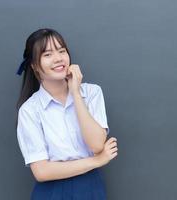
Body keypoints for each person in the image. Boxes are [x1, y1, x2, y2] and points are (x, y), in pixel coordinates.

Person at [16, 28, 118, 200]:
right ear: (34, 66)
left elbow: (97, 145)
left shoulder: (91, 93)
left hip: (90, 187)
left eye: (62, 51)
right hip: (51, 191)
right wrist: (97, 161)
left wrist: (76, 94)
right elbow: (42, 172)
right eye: (47, 54)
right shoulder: (30, 110)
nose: (58, 58)